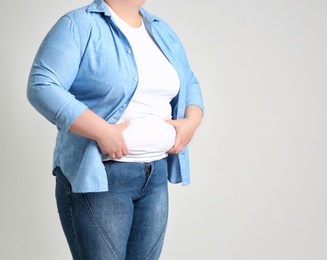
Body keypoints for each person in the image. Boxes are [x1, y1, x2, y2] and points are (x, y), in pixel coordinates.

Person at [27, 0, 204, 259]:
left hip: (155, 175)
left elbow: (189, 81)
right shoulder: (78, 24)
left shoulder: (160, 29)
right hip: (102, 176)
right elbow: (41, 85)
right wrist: (102, 131)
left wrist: (192, 121)